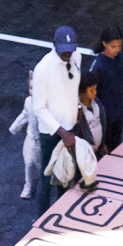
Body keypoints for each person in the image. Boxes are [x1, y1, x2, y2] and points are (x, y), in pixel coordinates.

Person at [31, 26, 84, 216]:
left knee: (66, 175)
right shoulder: (43, 69)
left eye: (70, 49)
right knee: (47, 179)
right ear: (54, 45)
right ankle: (40, 221)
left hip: (71, 128)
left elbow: (73, 89)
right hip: (51, 134)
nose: (68, 54)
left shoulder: (77, 58)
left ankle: (61, 216)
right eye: (64, 50)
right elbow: (39, 107)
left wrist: (78, 109)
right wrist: (62, 132)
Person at [92, 26, 123, 153]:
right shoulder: (98, 66)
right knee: (105, 152)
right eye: (113, 46)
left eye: (119, 46)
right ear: (104, 44)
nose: (117, 49)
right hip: (106, 119)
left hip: (120, 115)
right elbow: (92, 95)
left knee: (117, 148)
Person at [10, 73, 44, 198]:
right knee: (28, 163)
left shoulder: (46, 104)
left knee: (40, 165)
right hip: (30, 138)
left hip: (41, 140)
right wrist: (15, 127)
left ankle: (43, 185)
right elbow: (25, 114)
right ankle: (28, 184)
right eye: (31, 88)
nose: (33, 91)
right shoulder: (28, 101)